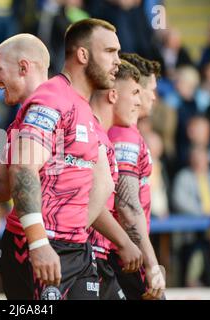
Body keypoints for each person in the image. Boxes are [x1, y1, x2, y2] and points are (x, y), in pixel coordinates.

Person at [0, 19, 142, 300]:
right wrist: (40, 240)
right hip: (40, 247)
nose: (118, 61)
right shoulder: (49, 100)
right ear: (83, 55)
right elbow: (19, 171)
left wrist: (75, 232)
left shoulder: (75, 104)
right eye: (110, 51)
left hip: (71, 248)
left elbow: (103, 185)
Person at [108, 52, 166, 300]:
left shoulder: (124, 131)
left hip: (120, 251)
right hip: (125, 255)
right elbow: (127, 205)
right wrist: (152, 264)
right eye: (148, 89)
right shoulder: (124, 135)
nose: (153, 96)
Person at [88, 59, 143, 300]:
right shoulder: (102, 136)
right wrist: (128, 245)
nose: (140, 101)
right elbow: (88, 202)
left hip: (95, 253)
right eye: (136, 92)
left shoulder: (103, 136)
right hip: (86, 254)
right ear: (113, 95)